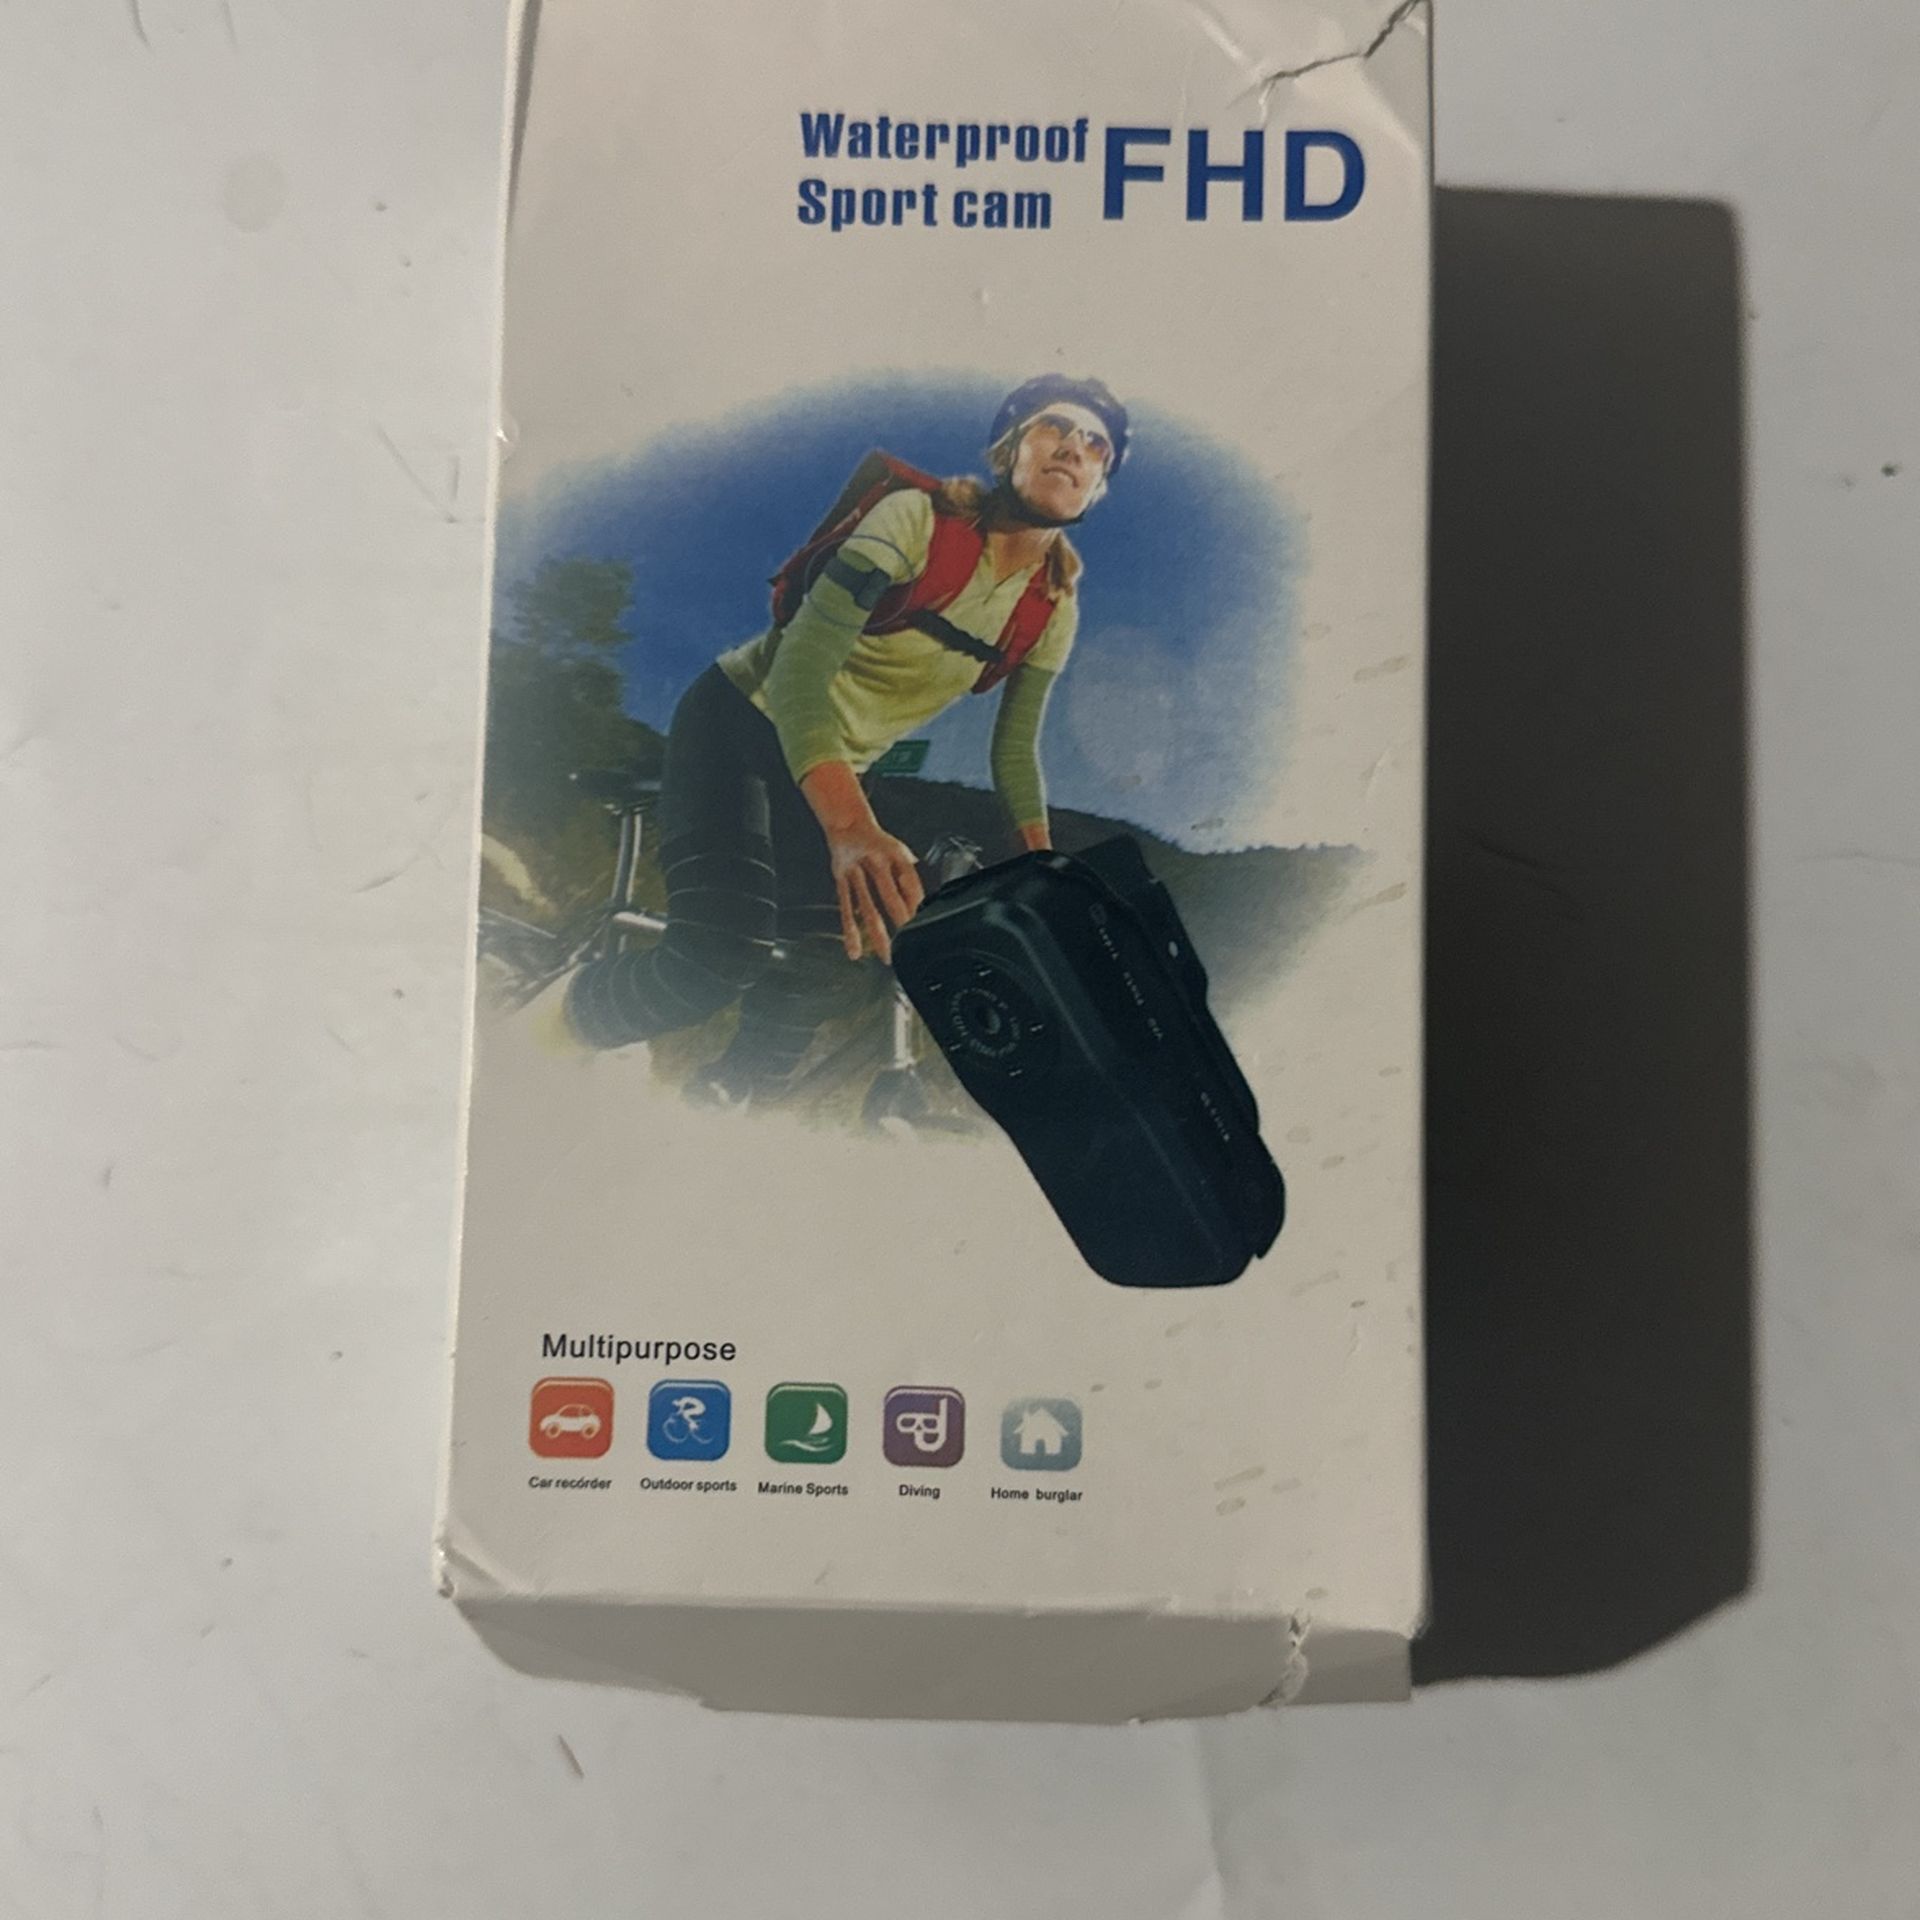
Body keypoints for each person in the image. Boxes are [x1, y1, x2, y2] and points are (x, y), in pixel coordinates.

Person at [562, 374, 1130, 1101]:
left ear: (1098, 487)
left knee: (831, 964)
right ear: (1009, 449)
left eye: (1096, 446)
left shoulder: (1051, 608)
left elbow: (1015, 751)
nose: (1074, 449)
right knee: (718, 956)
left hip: (827, 771)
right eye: (1055, 427)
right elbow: (799, 671)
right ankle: (539, 1039)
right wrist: (850, 824)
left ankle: (729, 1099)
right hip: (741, 723)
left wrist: (1044, 872)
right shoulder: (914, 520)